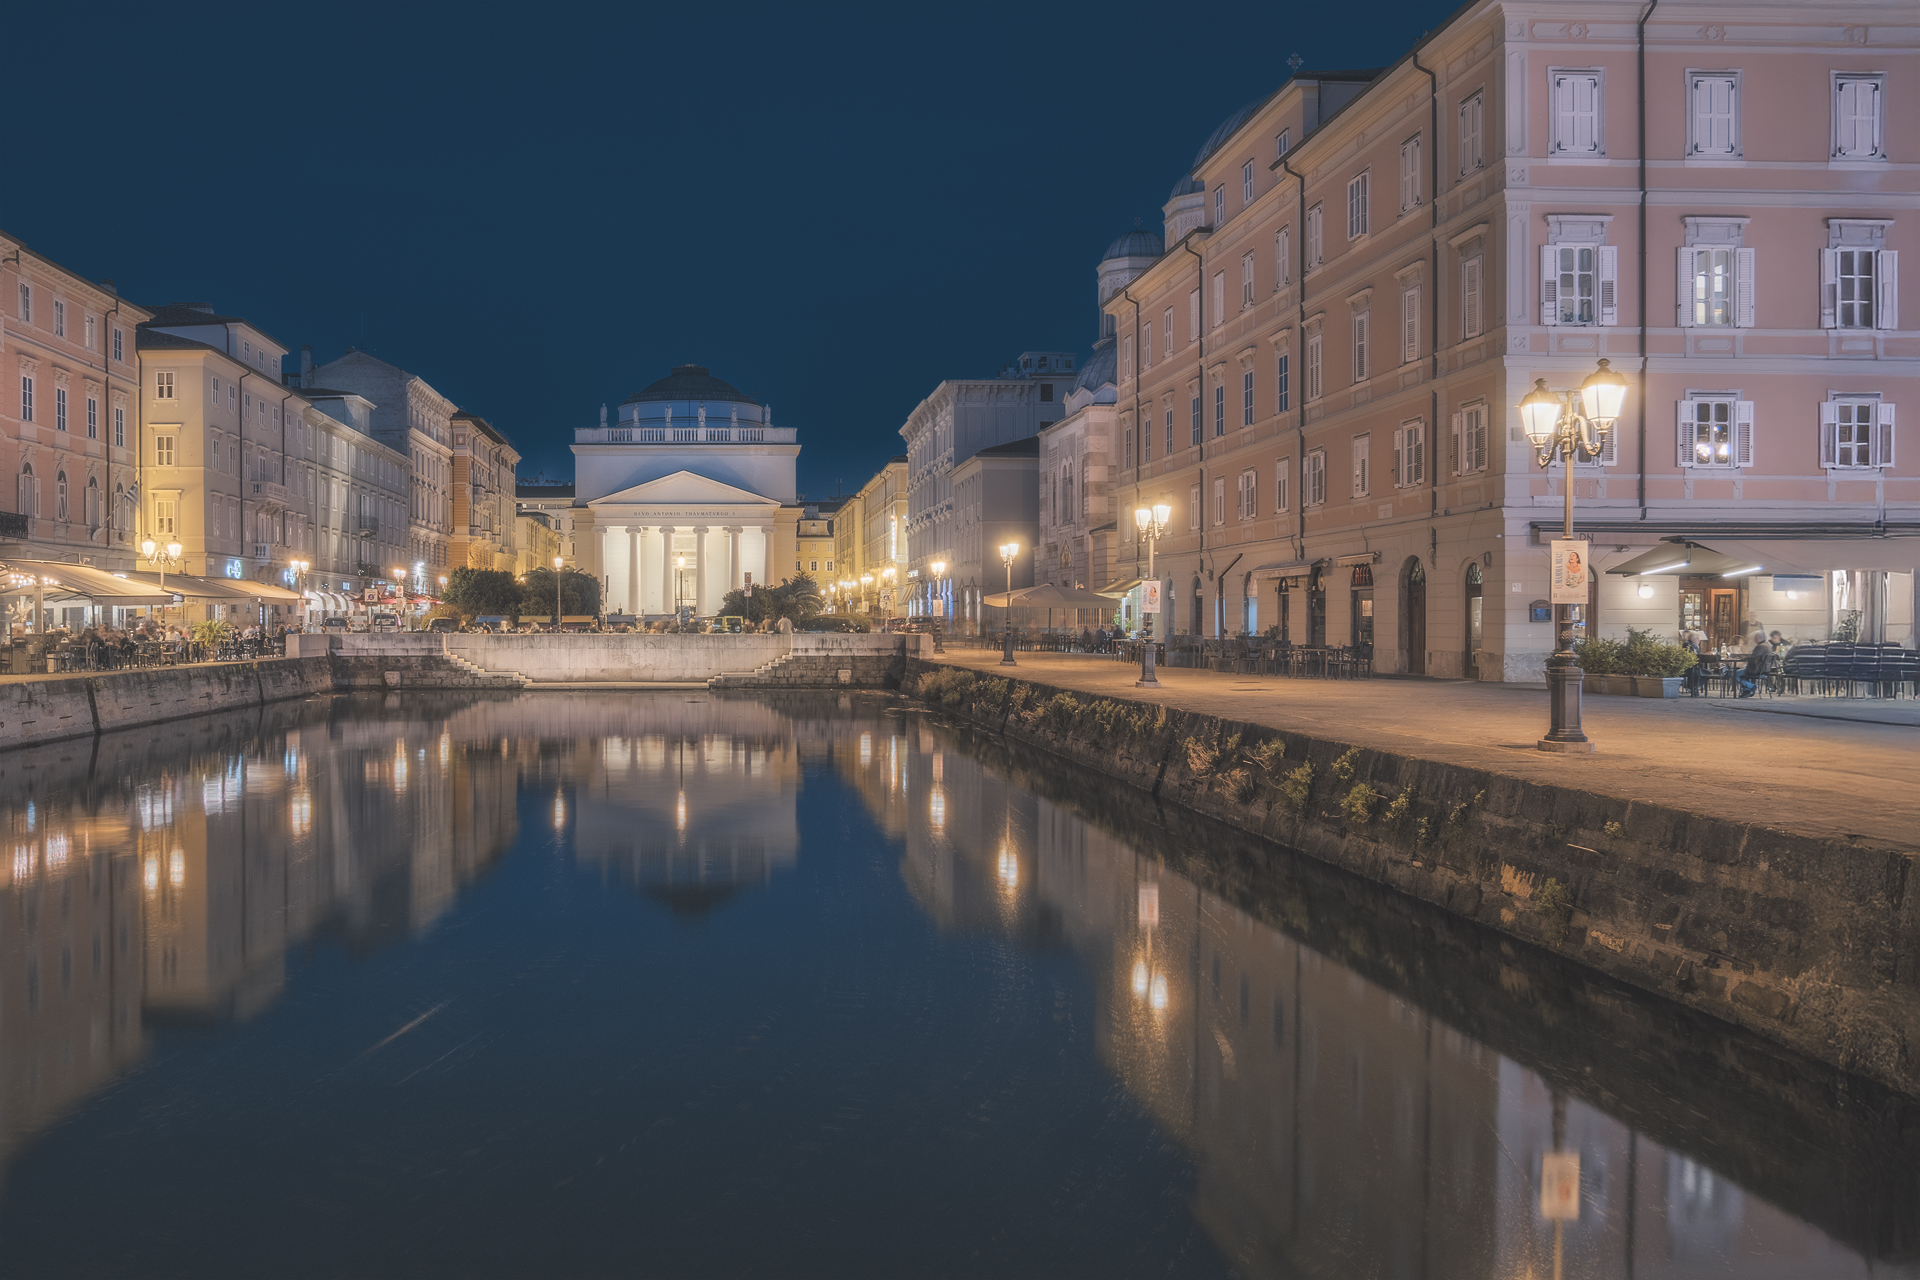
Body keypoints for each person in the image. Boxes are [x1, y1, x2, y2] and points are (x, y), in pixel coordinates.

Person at [1736, 630, 1771, 698]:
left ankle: (1751, 686)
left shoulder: (1761, 647)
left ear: (1758, 637)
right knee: (1743, 673)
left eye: (1755, 637)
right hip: (1764, 670)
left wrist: (1743, 656)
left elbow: (1752, 658)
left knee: (1734, 673)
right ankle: (1747, 691)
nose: (1754, 639)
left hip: (1757, 670)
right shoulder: (1768, 645)